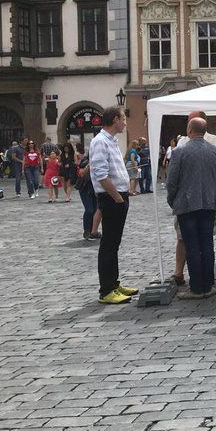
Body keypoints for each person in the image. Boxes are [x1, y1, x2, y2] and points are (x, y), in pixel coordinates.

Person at [167, 117, 216, 299]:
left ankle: (196, 288)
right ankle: (208, 285)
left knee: (192, 245)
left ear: (189, 130)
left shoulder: (179, 153)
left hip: (186, 206)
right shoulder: (215, 151)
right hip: (209, 205)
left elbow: (171, 182)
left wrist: (173, 201)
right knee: (207, 245)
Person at [89, 106, 138, 304]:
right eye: (123, 119)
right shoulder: (100, 141)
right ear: (115, 120)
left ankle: (114, 284)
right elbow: (101, 175)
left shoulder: (111, 141)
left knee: (114, 244)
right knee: (108, 244)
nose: (125, 122)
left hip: (118, 196)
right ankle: (106, 290)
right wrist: (117, 197)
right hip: (111, 198)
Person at [75, 147, 101, 240]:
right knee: (89, 209)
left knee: (96, 209)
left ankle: (93, 231)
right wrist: (90, 165)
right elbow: (81, 173)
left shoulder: (101, 161)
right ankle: (86, 231)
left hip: (95, 188)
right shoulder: (85, 161)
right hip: (85, 187)